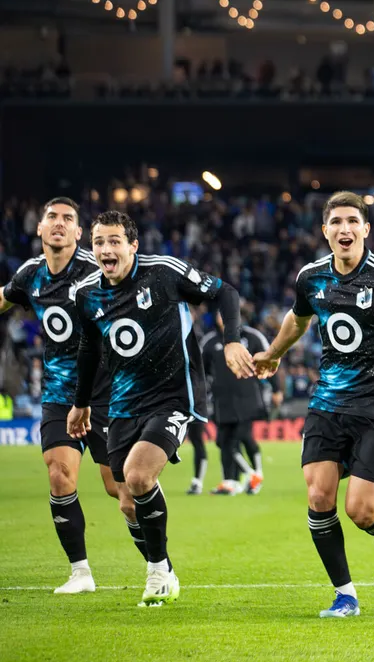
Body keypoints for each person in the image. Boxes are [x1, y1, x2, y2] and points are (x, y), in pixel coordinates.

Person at [252, 191, 374, 618]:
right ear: (325, 231)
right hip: (327, 402)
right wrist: (274, 352)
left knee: (360, 510)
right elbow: (298, 319)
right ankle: (345, 595)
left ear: (366, 229)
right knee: (318, 495)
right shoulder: (311, 278)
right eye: (336, 222)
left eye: (352, 222)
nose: (344, 229)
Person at [67, 210, 254, 607]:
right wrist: (81, 403)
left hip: (173, 395)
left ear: (133, 245)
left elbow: (226, 292)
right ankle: (164, 567)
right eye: (99, 242)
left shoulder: (165, 272)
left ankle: (155, 574)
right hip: (122, 404)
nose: (105, 249)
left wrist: (234, 339)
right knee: (126, 502)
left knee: (137, 477)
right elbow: (88, 349)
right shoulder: (86, 295)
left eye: (115, 241)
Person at [0, 197, 143, 594]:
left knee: (122, 491)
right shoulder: (30, 275)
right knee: (59, 475)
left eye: (67, 219)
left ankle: (156, 560)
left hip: (109, 393)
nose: (58, 224)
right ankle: (80, 572)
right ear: (40, 229)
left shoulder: (97, 268)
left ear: (79, 233)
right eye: (52, 218)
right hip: (61, 393)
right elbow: (4, 297)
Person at [202, 314, 275, 495]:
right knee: (223, 441)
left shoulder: (253, 337)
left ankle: (255, 474)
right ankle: (232, 481)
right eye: (219, 314)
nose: (222, 317)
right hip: (222, 400)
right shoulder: (210, 342)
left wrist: (277, 389)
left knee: (242, 437)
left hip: (247, 397)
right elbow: (201, 370)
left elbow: (271, 359)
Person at [184, 420, 209, 495]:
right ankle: (197, 481)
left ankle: (198, 482)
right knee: (195, 439)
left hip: (196, 411)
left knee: (197, 440)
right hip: (190, 411)